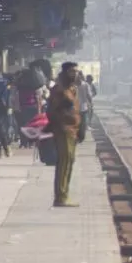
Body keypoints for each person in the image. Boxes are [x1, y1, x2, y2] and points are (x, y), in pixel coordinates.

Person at [47, 63, 82, 207]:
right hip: (63, 130)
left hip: (73, 130)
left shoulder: (72, 89)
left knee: (70, 161)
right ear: (65, 72)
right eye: (72, 71)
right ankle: (60, 197)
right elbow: (52, 110)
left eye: (76, 71)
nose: (75, 74)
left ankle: (65, 194)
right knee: (64, 162)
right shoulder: (59, 89)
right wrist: (59, 124)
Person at [77, 71, 95, 142]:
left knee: (78, 122)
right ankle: (81, 137)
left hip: (76, 107)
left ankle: (79, 136)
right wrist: (91, 103)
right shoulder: (85, 85)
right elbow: (89, 95)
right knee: (82, 123)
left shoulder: (73, 85)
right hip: (83, 107)